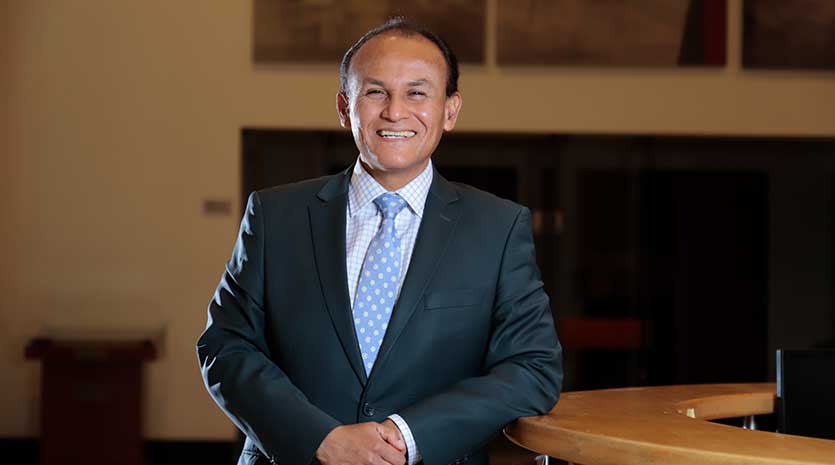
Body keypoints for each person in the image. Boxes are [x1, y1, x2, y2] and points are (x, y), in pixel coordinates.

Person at [197, 18, 563, 465]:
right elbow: (225, 346)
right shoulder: (275, 216)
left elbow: (532, 368)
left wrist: (405, 437)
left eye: (417, 93)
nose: (395, 111)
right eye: (375, 92)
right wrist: (321, 439)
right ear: (343, 107)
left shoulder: (498, 228)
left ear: (450, 111)